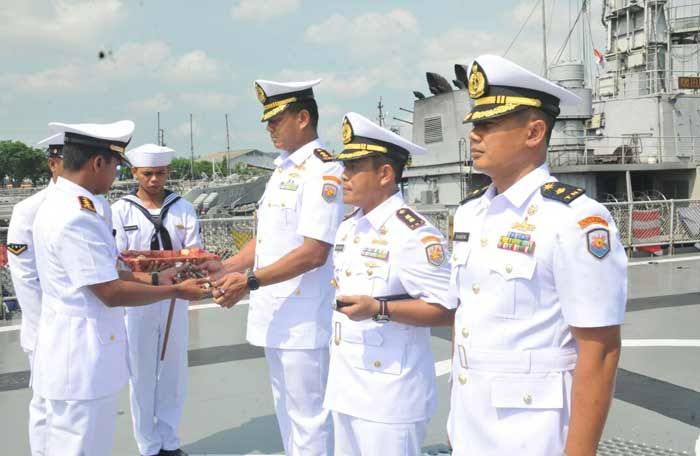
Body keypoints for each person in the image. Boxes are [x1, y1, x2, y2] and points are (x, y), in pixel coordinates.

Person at [446, 54, 627, 456]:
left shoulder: (574, 219)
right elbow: (467, 320)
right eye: (475, 124)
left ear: (534, 132)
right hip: (471, 425)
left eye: (488, 125)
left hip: (533, 434)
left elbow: (599, 348)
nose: (475, 135)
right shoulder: (470, 213)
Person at [30, 121, 209, 456]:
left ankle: (167, 440)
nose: (116, 175)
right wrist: (174, 290)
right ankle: (150, 444)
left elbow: (108, 270)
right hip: (81, 357)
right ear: (98, 163)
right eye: (115, 165)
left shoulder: (67, 205)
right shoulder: (77, 215)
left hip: (77, 351)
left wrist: (157, 280)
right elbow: (110, 290)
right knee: (81, 445)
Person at [201, 79, 344, 455]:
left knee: (310, 418)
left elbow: (314, 251)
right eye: (267, 120)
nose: (269, 127)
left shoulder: (322, 172)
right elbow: (266, 240)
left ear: (302, 118)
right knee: (287, 411)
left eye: (276, 119)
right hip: (276, 312)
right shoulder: (283, 171)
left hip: (302, 316)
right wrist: (224, 266)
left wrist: (248, 282)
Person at [324, 112, 455, 455]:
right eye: (344, 166)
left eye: (354, 168)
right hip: (347, 386)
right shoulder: (349, 228)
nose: (344, 176)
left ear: (385, 174)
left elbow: (447, 309)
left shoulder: (412, 233)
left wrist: (380, 308)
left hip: (390, 396)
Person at [7, 132, 112, 453]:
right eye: (56, 161)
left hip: (78, 324)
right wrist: (42, 329)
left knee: (65, 415)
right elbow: (25, 275)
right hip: (51, 325)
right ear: (54, 163)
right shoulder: (31, 208)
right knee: (46, 407)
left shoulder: (97, 203)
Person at [111, 144, 201, 456]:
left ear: (168, 173)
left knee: (174, 369)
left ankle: (169, 440)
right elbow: (118, 257)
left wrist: (178, 268)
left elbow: (194, 250)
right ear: (135, 173)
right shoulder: (121, 210)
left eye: (160, 173)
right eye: (147, 173)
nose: (153, 179)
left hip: (176, 295)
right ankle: (148, 445)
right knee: (141, 370)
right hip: (138, 298)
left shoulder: (182, 208)